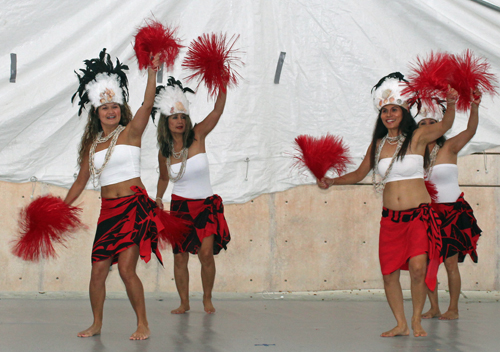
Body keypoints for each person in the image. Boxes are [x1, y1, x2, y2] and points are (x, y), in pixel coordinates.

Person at [317, 72, 458, 337]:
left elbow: (445, 125)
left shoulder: (418, 137)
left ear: (404, 111)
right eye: (384, 110)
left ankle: (416, 319)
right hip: (391, 220)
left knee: (418, 268)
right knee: (389, 273)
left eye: (394, 109)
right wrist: (333, 181)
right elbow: (359, 174)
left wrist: (450, 103)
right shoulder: (379, 144)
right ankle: (401, 323)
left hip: (418, 216)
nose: (389, 114)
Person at [66, 49, 164, 340]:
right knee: (97, 270)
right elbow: (80, 181)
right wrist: (60, 208)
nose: (111, 111)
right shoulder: (93, 145)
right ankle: (96, 323)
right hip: (108, 211)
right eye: (104, 107)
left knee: (125, 269)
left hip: (134, 206)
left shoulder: (131, 132)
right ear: (96, 112)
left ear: (121, 109)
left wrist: (151, 72)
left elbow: (147, 104)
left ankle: (143, 323)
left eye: (115, 106)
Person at [154, 77, 231, 314]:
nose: (179, 121)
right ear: (166, 122)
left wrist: (222, 81)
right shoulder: (164, 152)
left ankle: (207, 299)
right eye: (174, 117)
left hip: (205, 205)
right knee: (180, 258)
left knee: (206, 254)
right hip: (180, 207)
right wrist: (158, 198)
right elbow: (165, 178)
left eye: (182, 116)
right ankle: (184, 302)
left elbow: (217, 111)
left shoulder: (198, 135)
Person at [417, 90, 482, 320]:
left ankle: (453, 308)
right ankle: (434, 307)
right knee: (424, 263)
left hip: (452, 213)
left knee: (450, 262)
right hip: (426, 215)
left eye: (431, 122)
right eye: (422, 123)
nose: (427, 126)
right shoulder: (414, 154)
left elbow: (471, 130)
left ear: (440, 124)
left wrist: (473, 107)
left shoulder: (450, 146)